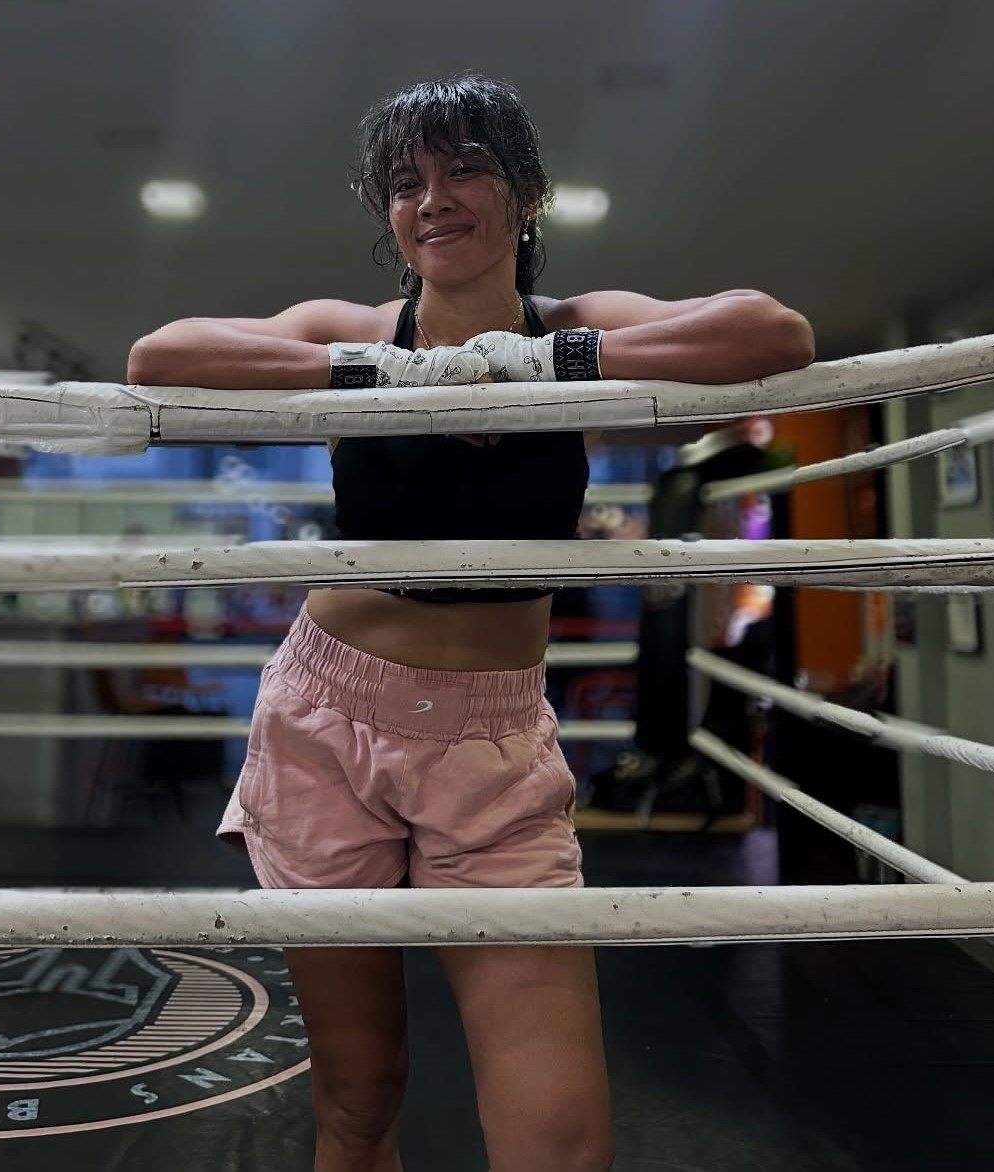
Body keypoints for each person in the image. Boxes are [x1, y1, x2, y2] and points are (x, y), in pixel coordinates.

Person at [128, 72, 814, 1172]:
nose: (431, 198)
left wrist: (542, 367)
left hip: (494, 744)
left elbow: (773, 335)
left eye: (464, 171)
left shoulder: (578, 327)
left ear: (527, 195)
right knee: (361, 1096)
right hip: (328, 720)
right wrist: (404, 375)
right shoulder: (355, 330)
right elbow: (159, 358)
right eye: (407, 182)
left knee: (560, 1138)